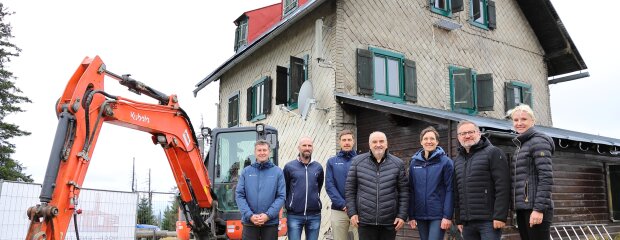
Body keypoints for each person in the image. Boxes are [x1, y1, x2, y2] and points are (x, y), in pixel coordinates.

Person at [345, 131, 408, 240]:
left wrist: (402, 216)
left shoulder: (398, 163)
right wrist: (352, 213)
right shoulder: (357, 162)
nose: (378, 144)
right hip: (364, 221)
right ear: (369, 145)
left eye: (381, 141)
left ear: (386, 144)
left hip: (389, 222)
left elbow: (404, 192)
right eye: (374, 142)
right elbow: (350, 190)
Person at [453, 121, 510, 240]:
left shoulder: (493, 152)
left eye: (470, 132)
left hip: (489, 221)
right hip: (467, 223)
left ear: (479, 133)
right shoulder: (458, 160)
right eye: (463, 133)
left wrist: (500, 216)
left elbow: (503, 186)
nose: (467, 136)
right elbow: (457, 192)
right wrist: (459, 219)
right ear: (458, 137)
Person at [509, 104, 554, 240]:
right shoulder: (522, 145)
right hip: (524, 208)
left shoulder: (538, 142)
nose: (519, 123)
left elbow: (546, 177)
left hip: (535, 208)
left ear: (532, 121)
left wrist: (538, 209)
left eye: (524, 119)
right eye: (516, 120)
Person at [407, 126, 454, 240]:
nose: (429, 141)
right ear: (421, 141)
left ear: (437, 141)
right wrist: (411, 215)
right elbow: (411, 190)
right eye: (426, 138)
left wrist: (447, 216)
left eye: (432, 139)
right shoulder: (414, 163)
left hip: (438, 215)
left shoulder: (445, 162)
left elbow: (450, 189)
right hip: (420, 214)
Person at [235, 140, 286, 240]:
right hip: (250, 223)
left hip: (270, 223)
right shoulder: (246, 172)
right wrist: (250, 216)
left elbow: (281, 196)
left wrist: (268, 215)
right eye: (259, 150)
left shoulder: (277, 172)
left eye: (264, 150)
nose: (262, 153)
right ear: (255, 152)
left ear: (269, 152)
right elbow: (239, 195)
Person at [283, 136, 324, 240]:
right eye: (304, 145)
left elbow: (318, 187)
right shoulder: (289, 167)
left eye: (309, 145)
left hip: (314, 215)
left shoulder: (318, 167)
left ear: (312, 148)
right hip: (294, 215)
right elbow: (286, 189)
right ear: (298, 148)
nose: (307, 148)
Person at [326, 130, 359, 240]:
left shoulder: (362, 160)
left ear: (353, 141)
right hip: (339, 210)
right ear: (339, 142)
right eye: (344, 140)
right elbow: (329, 185)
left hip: (359, 210)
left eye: (349, 140)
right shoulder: (332, 162)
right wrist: (343, 205)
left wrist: (354, 205)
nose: (346, 142)